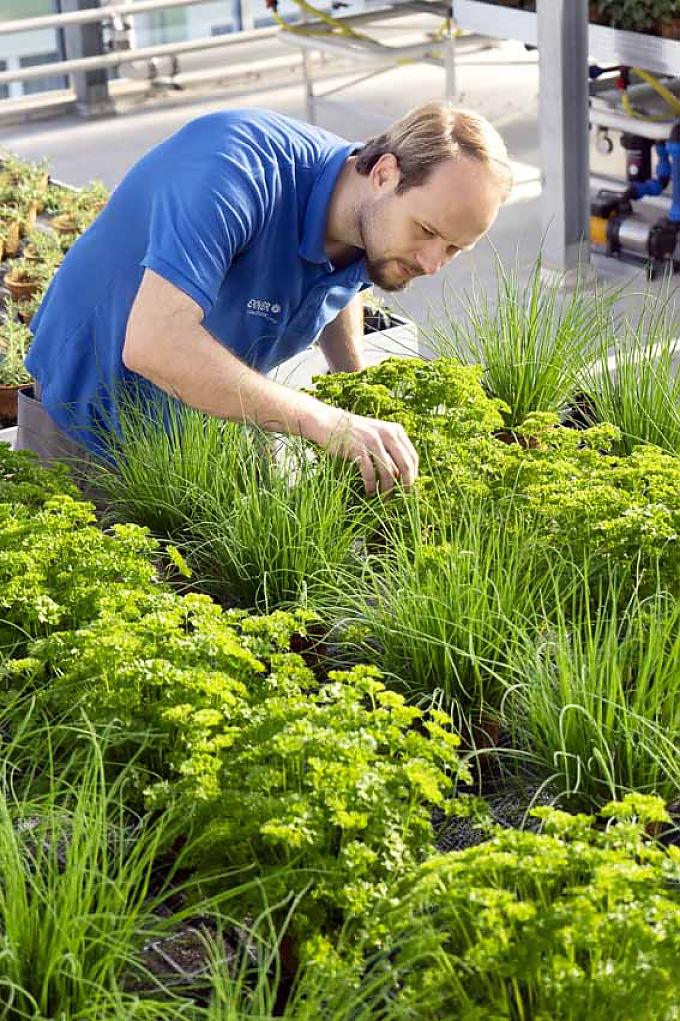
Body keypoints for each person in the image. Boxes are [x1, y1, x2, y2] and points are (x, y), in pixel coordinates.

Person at [25, 102, 512, 496]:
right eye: (426, 231)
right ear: (384, 173)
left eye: (453, 248)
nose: (431, 263)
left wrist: (354, 382)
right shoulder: (234, 171)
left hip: (212, 423)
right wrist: (326, 420)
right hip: (91, 423)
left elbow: (341, 276)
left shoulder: (370, 216)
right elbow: (154, 345)